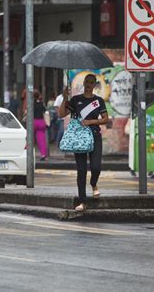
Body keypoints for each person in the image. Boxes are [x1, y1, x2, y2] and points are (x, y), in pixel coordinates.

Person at [58, 74, 109, 212]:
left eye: (91, 82)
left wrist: (91, 121)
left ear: (94, 85)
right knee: (81, 170)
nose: (88, 84)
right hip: (79, 137)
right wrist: (64, 98)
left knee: (96, 167)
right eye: (87, 81)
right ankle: (82, 201)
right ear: (84, 83)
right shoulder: (75, 100)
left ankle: (93, 184)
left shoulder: (98, 101)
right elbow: (61, 114)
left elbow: (105, 119)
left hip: (94, 136)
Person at [33, 90, 48, 160]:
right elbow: (46, 112)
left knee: (29, 138)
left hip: (33, 122)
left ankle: (26, 151)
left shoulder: (31, 104)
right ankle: (43, 154)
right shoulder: (42, 104)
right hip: (41, 122)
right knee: (41, 139)